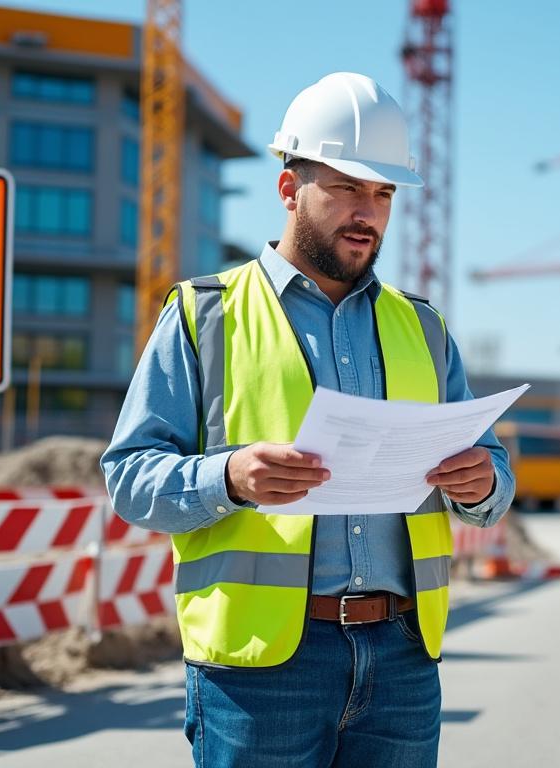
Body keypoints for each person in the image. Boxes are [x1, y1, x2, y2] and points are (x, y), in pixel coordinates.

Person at [102, 72, 515, 768]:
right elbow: (129, 477)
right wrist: (228, 475)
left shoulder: (425, 328)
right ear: (289, 189)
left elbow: (492, 476)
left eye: (383, 193)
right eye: (349, 187)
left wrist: (483, 484)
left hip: (404, 659)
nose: (369, 212)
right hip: (261, 670)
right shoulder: (206, 314)